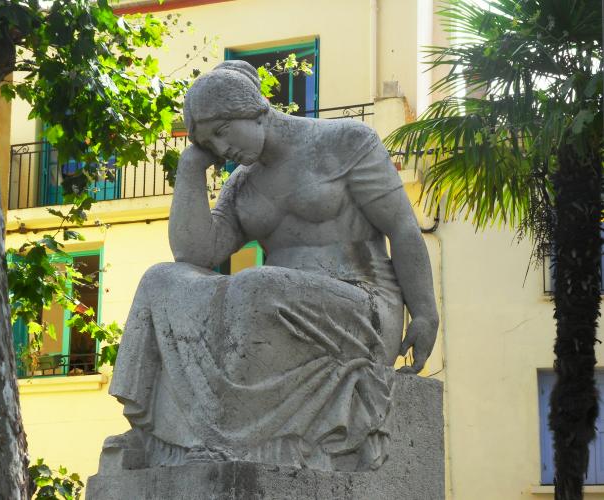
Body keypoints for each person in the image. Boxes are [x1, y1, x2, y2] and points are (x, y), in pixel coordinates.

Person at [107, 60, 438, 472]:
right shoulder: (243, 184)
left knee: (254, 285)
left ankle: (223, 438)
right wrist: (191, 166)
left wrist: (424, 312)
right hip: (273, 302)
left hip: (362, 304)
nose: (222, 149)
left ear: (253, 108)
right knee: (161, 280)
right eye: (210, 142)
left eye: (222, 131)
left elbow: (403, 228)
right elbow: (194, 255)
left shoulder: (346, 142)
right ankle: (152, 435)